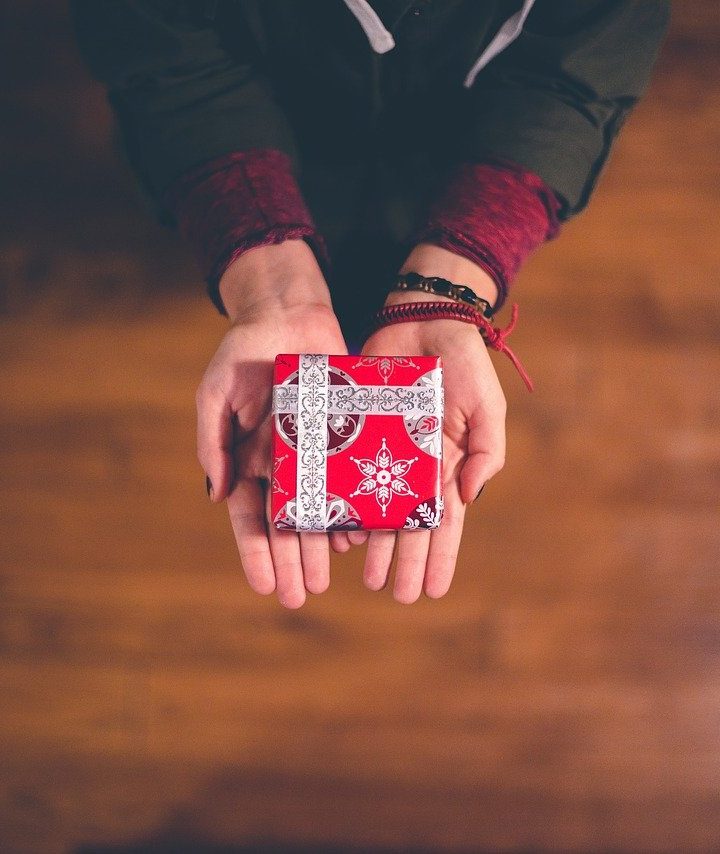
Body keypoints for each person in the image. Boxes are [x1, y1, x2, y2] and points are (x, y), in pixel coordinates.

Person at [71, 0, 669, 608]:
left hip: (457, 158)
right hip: (252, 140)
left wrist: (456, 271)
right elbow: (161, 54)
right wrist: (267, 274)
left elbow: (581, 71)